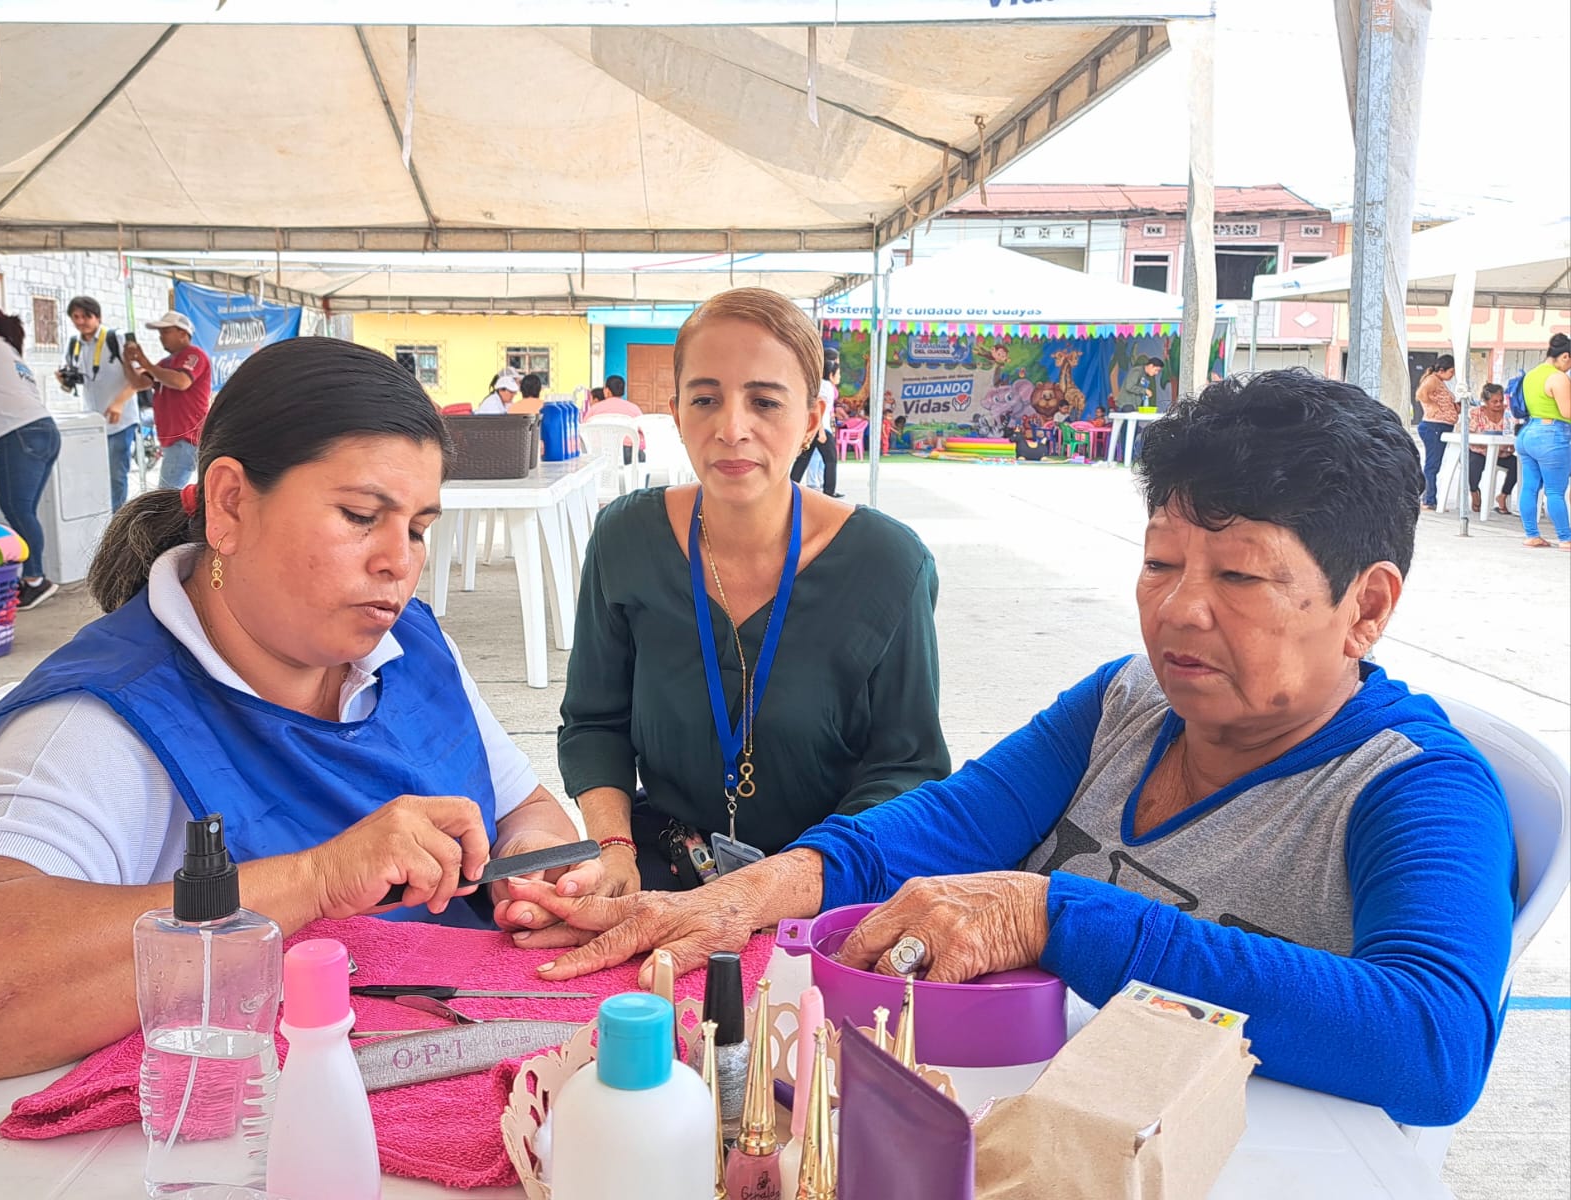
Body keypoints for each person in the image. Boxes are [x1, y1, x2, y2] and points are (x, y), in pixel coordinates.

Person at [514, 370, 1515, 1131]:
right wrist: (742, 897)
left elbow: (1434, 1044)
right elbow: (937, 829)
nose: (1178, 609)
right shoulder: (1125, 701)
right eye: (1160, 562)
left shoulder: (1415, 788)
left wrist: (1053, 912)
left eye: (1240, 578)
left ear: (1366, 606)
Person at [0, 338, 598, 1081]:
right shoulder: (98, 722)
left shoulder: (413, 647)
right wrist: (318, 880)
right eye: (361, 515)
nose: (399, 561)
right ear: (231, 503)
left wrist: (531, 867)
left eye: (418, 528)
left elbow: (522, 805)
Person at [556, 288, 950, 899]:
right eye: (705, 400)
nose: (731, 429)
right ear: (677, 413)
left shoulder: (888, 563)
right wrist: (612, 849)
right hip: (664, 862)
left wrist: (791, 880)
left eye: (765, 401)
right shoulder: (625, 538)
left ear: (812, 420)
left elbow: (907, 766)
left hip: (829, 880)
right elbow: (594, 723)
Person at [0, 305, 62, 610]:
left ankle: (35, 580)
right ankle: (33, 577)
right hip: (42, 431)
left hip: (19, 434)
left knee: (17, 508)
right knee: (24, 510)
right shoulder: (7, 353)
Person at [57, 296, 139, 512]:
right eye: (75, 317)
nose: (80, 321)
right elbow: (72, 386)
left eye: (86, 316)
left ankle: (116, 521)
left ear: (98, 317)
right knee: (93, 475)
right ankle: (98, 517)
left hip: (120, 421)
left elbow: (140, 379)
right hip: (92, 422)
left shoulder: (116, 338)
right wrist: (63, 381)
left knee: (116, 476)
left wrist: (118, 403)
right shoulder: (74, 344)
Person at [122, 311, 210, 490]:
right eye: (160, 333)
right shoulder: (164, 364)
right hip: (174, 437)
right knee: (173, 492)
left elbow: (181, 382)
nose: (161, 337)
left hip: (185, 435)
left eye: (166, 332)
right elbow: (139, 383)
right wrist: (127, 361)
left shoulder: (194, 355)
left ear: (183, 333)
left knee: (166, 495)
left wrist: (146, 363)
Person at [1515, 332, 1571, 549]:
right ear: (1565, 356)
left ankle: (1532, 535)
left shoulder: (1531, 375)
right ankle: (1566, 538)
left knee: (1529, 487)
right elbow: (1567, 411)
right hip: (1551, 436)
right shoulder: (1558, 377)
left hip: (1528, 434)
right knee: (1555, 491)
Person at [789, 348, 840, 497]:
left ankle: (791, 486)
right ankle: (829, 492)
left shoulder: (820, 385)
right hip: (820, 428)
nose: (839, 377)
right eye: (838, 374)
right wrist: (821, 431)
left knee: (803, 459)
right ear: (831, 375)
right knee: (831, 460)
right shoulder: (826, 387)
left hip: (815, 427)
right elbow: (818, 410)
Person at [1414, 355, 1459, 510]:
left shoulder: (1440, 382)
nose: (1452, 375)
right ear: (1441, 370)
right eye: (1451, 372)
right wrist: (1433, 407)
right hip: (1434, 426)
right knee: (1432, 465)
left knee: (1434, 464)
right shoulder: (1432, 380)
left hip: (1441, 426)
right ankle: (1429, 499)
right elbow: (1421, 394)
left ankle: (1429, 497)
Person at [1466, 383, 1518, 515]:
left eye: (1501, 400)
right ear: (1485, 401)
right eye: (1494, 401)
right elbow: (1470, 434)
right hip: (1480, 451)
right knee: (1473, 464)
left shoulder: (1509, 413)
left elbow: (1514, 432)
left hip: (1501, 454)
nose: (1499, 404)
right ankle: (1474, 491)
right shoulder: (1477, 413)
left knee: (1518, 465)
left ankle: (1503, 495)